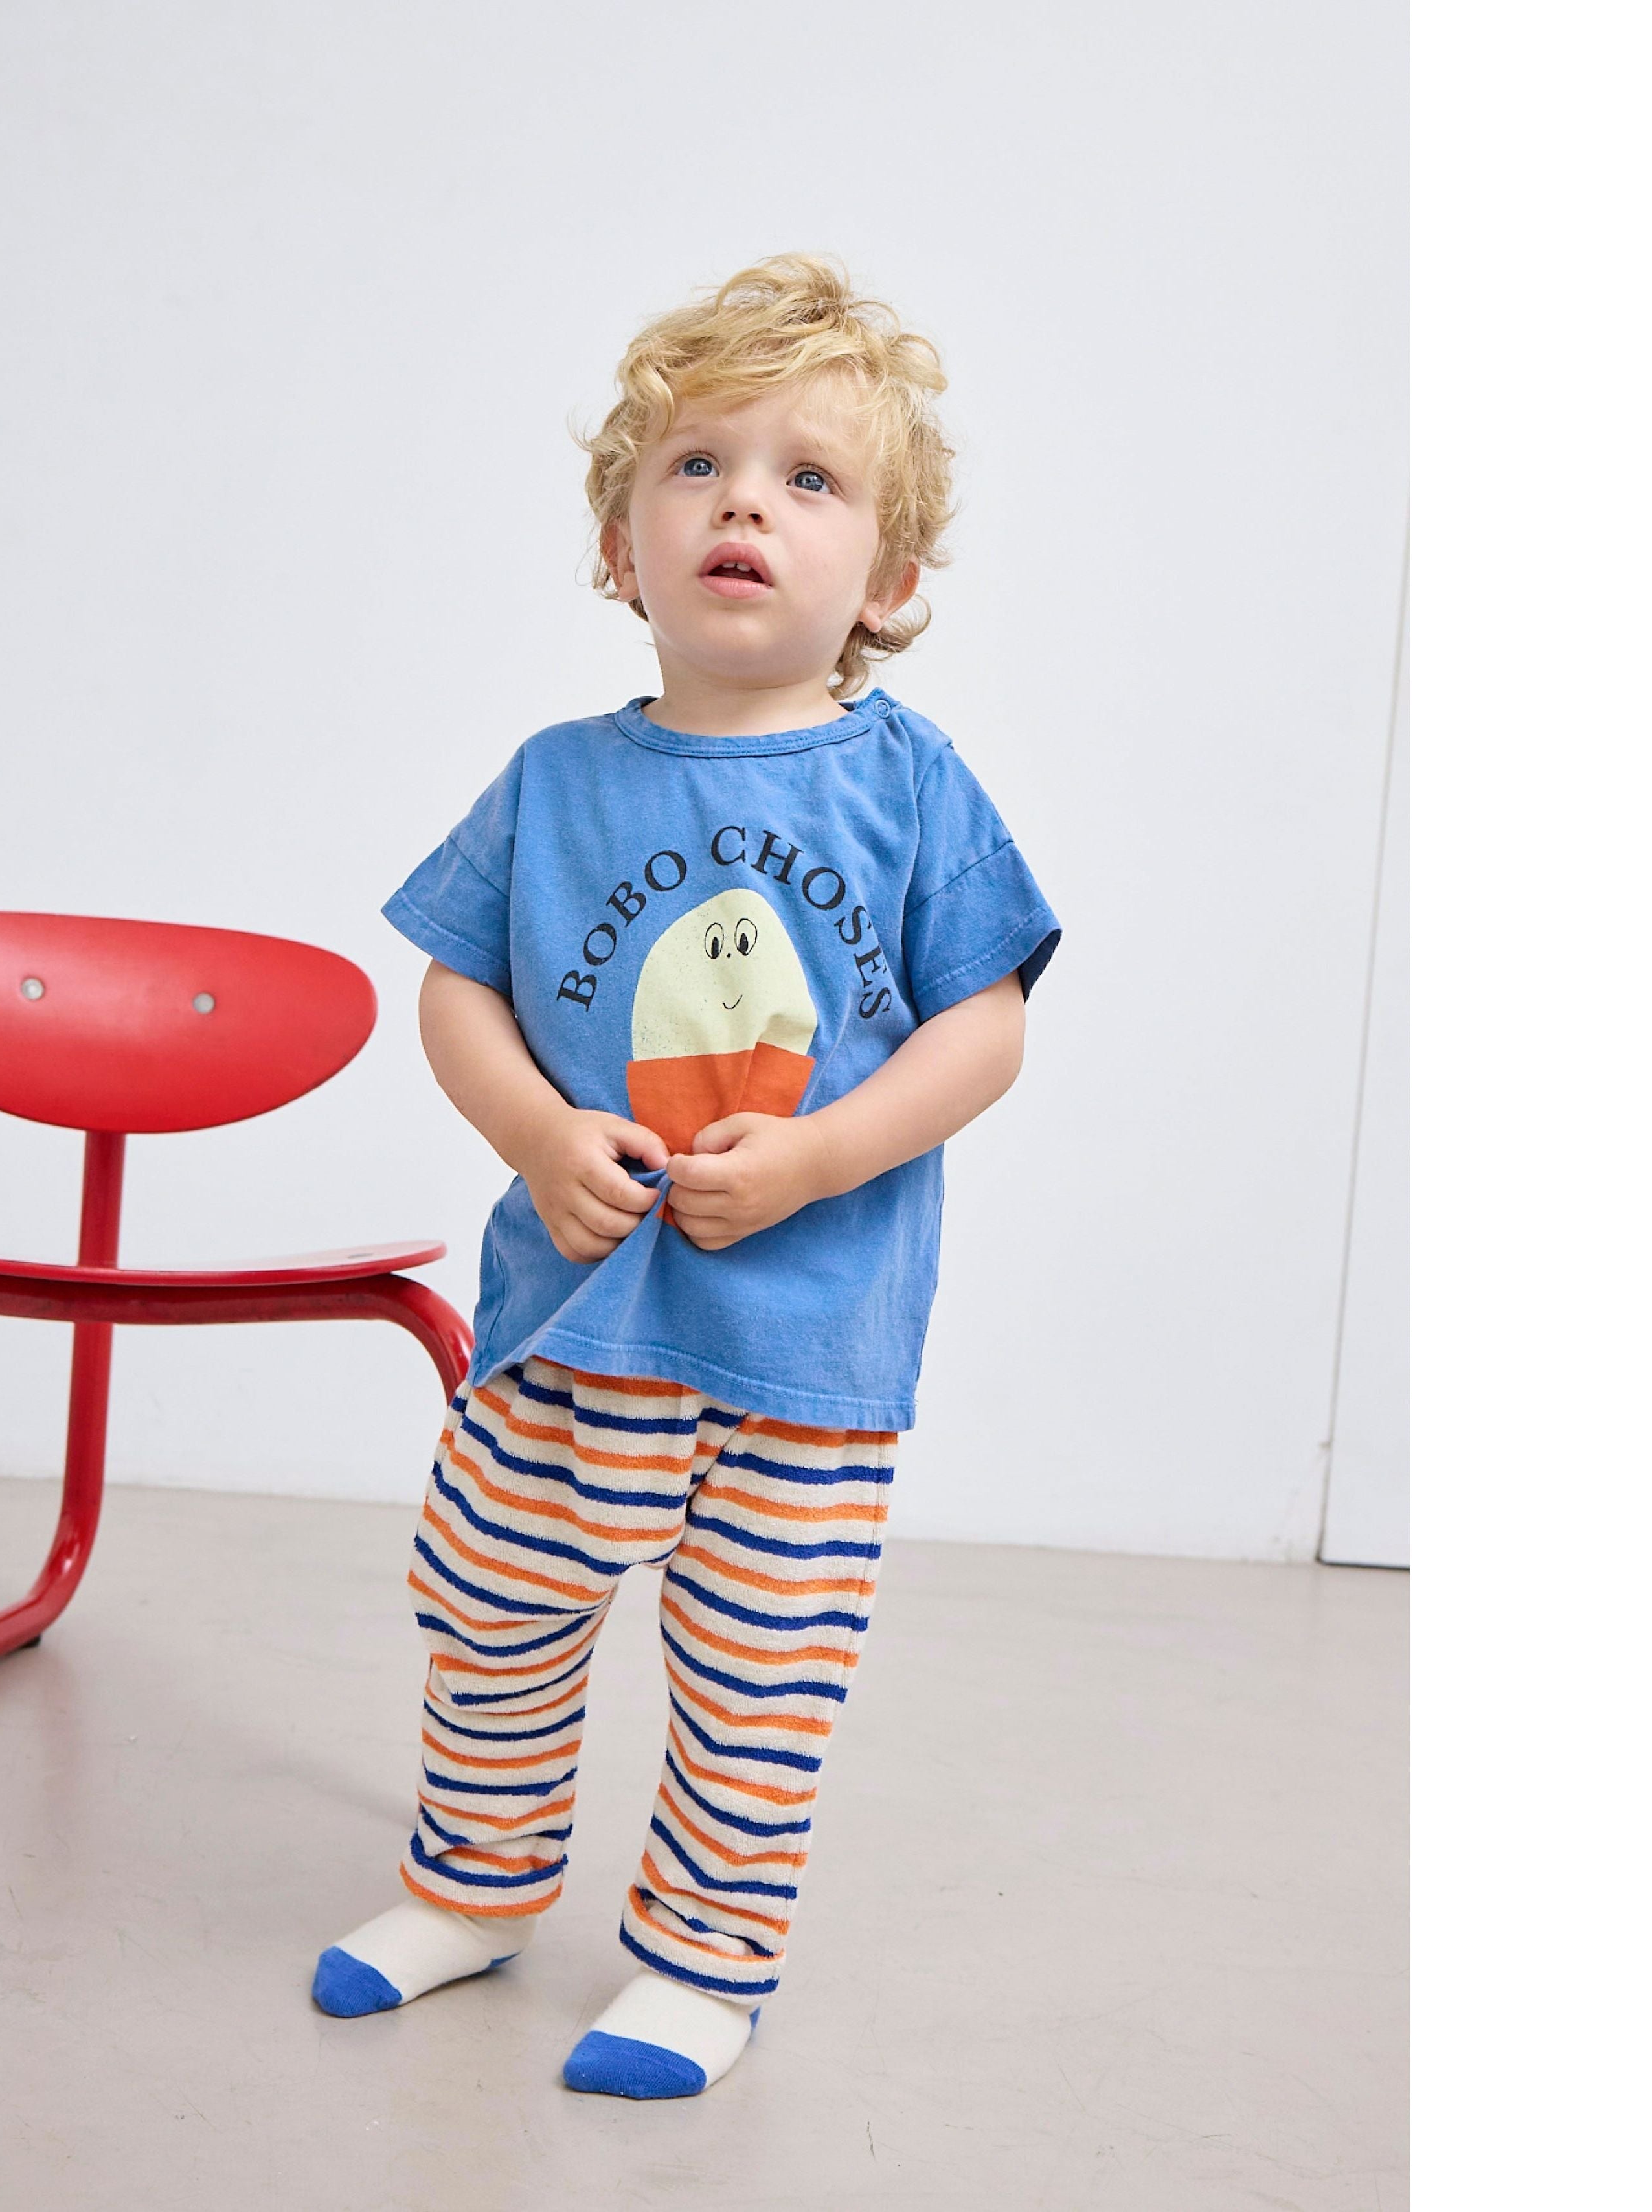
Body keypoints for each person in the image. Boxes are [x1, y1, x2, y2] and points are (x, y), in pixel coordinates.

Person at [311, 255, 1061, 2099]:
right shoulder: (555, 779)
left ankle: (702, 1969)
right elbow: (457, 988)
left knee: (758, 1686)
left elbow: (985, 1030)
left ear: (887, 582)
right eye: (698, 467)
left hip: (803, 1355)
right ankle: (473, 1892)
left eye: (810, 479)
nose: (746, 504)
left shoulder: (912, 783)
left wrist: (822, 1156)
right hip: (566, 1329)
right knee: (491, 1623)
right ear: (618, 548)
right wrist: (534, 1132)